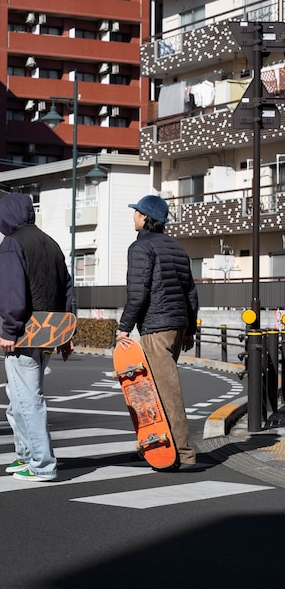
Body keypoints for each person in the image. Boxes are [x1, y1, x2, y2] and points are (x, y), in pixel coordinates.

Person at [0, 193, 73, 482]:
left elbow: (12, 292)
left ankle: (42, 464)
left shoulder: (13, 243)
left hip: (23, 334)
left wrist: (10, 330)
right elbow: (67, 289)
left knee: (27, 400)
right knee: (18, 399)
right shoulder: (51, 243)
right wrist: (66, 333)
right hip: (48, 332)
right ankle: (26, 456)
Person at [116, 194, 198, 470]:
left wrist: (124, 327)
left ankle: (183, 453)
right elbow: (190, 292)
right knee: (158, 390)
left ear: (146, 218)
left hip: (156, 327)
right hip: (177, 326)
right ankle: (155, 447)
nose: (134, 216)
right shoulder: (176, 248)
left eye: (137, 212)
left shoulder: (140, 248)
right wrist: (190, 330)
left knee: (164, 391)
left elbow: (137, 293)